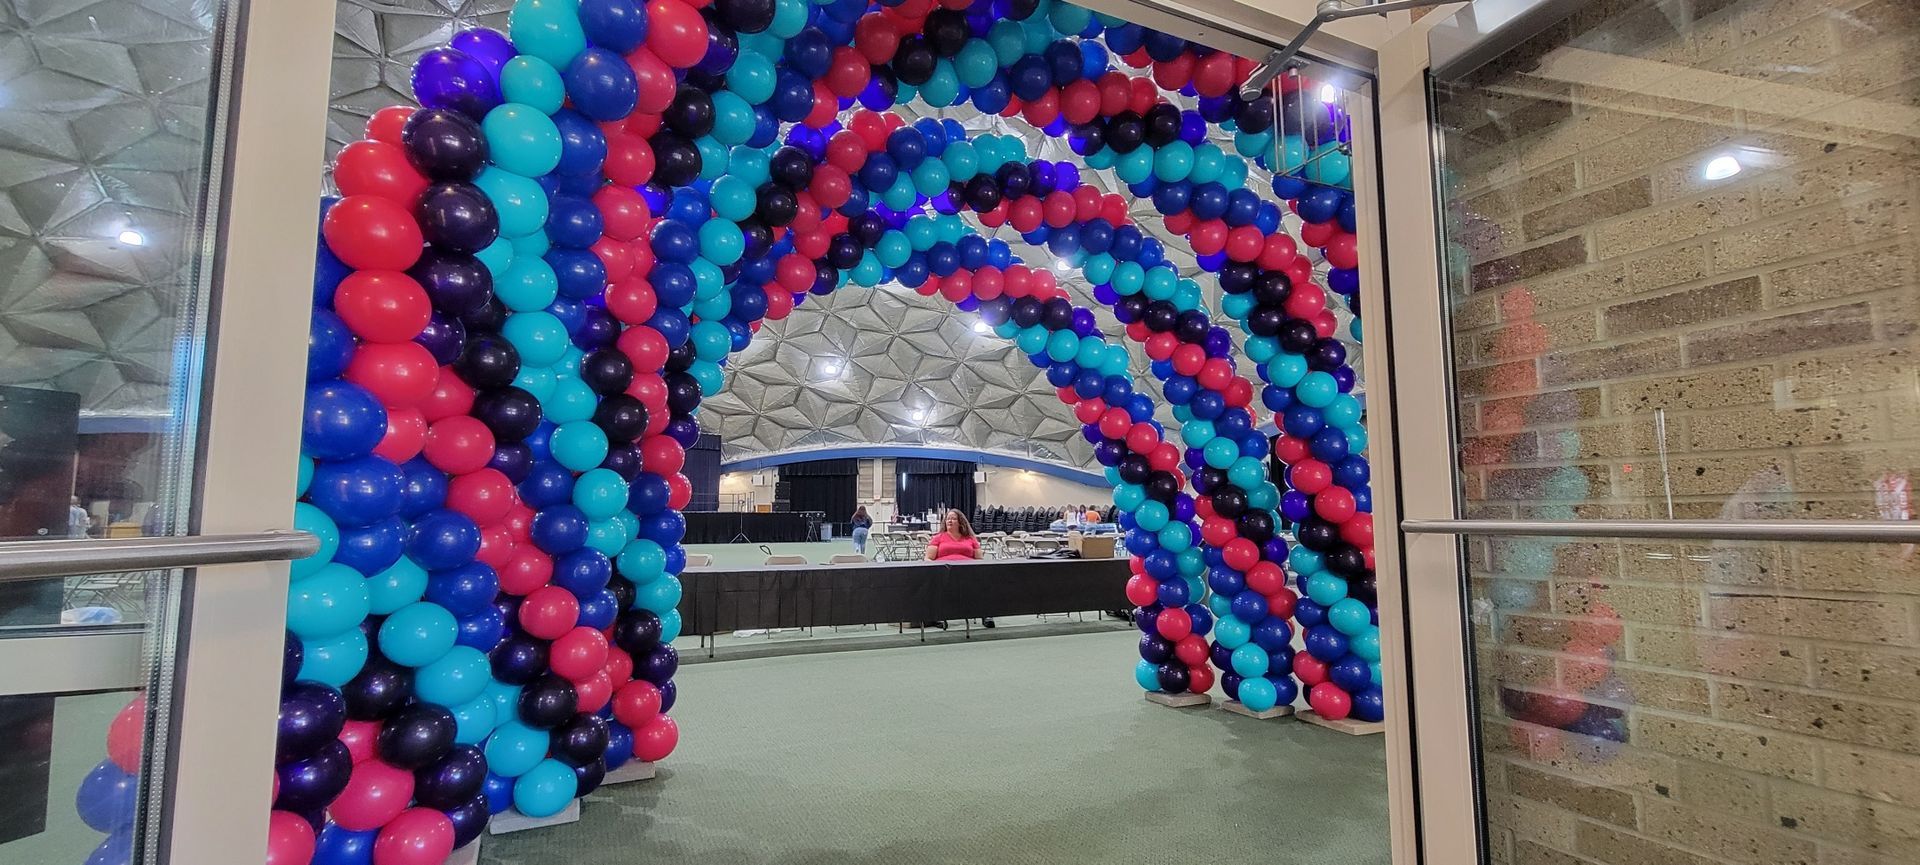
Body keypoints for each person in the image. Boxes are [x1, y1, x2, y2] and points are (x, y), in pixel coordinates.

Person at [925, 509, 991, 628]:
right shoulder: (938, 538)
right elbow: (928, 559)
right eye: (948, 518)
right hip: (944, 574)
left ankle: (986, 615)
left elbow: (979, 558)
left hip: (968, 573)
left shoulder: (970, 539)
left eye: (953, 518)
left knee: (985, 583)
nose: (950, 520)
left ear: (960, 522)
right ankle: (937, 616)